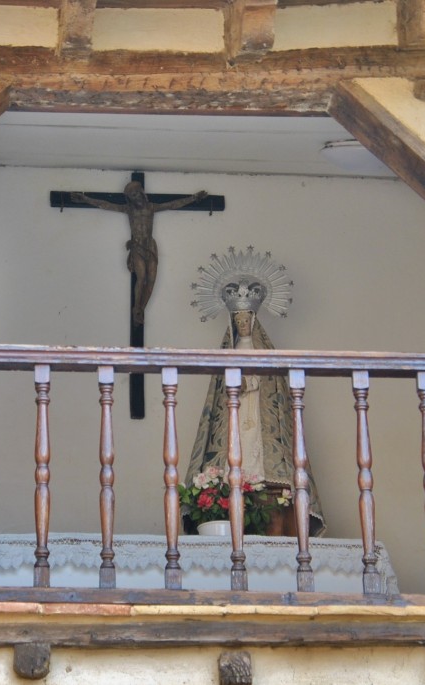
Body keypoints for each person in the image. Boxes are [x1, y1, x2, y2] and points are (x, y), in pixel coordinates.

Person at [186, 249, 326, 537]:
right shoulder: (228, 353)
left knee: (257, 452)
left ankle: (261, 480)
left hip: (259, 417)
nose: (242, 324)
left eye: (246, 319)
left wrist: (253, 384)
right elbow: (219, 394)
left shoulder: (265, 352)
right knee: (236, 447)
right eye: (238, 320)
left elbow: (276, 395)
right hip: (235, 413)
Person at [72, 182, 207, 326]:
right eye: (131, 196)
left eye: (136, 194)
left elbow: (172, 204)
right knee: (141, 278)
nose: (135, 198)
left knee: (151, 280)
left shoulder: (151, 208)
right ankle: (137, 308)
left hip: (150, 246)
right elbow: (106, 205)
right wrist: (86, 199)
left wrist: (193, 198)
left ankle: (141, 309)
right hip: (137, 246)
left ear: (141, 193)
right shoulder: (129, 210)